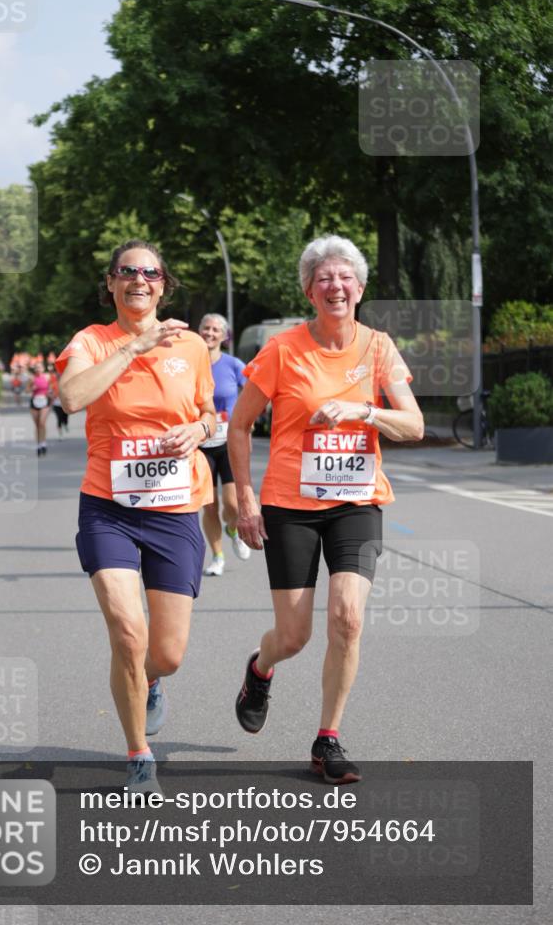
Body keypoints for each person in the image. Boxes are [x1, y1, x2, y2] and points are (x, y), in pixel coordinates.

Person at [228, 235, 424, 785]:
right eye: (324, 279)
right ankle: (259, 668)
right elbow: (239, 425)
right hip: (290, 504)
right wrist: (245, 498)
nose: (335, 286)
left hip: (356, 503)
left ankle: (328, 738)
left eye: (344, 278)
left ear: (359, 289)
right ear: (309, 291)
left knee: (348, 619)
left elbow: (414, 425)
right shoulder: (283, 350)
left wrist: (365, 410)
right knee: (294, 636)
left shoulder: (378, 347)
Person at [57, 239, 216, 794]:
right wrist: (134, 347)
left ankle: (150, 682)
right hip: (109, 509)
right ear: (111, 283)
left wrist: (199, 430)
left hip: (175, 510)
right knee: (128, 632)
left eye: (150, 272)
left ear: (163, 284)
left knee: (165, 654)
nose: (139, 280)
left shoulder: (192, 345)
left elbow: (209, 415)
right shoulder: (92, 341)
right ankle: (138, 753)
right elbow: (72, 397)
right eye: (128, 272)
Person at [197, 313, 251, 575]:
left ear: (224, 336)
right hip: (200, 443)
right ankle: (217, 556)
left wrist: (246, 421)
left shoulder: (233, 364)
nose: (210, 333)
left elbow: (253, 391)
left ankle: (233, 529)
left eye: (215, 329)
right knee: (209, 505)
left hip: (227, 443)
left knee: (231, 504)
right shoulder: (189, 364)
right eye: (206, 328)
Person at [28, 361, 52, 456]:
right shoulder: (32, 378)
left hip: (45, 401)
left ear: (43, 368)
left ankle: (43, 443)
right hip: (34, 402)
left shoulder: (47, 377)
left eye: (39, 367)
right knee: (37, 425)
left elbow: (51, 388)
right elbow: (26, 390)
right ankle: (38, 444)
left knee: (42, 423)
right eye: (36, 368)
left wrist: (50, 393)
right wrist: (32, 388)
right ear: (35, 369)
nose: (38, 369)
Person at [47, 362, 69, 438]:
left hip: (64, 403)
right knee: (59, 418)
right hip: (56, 404)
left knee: (65, 417)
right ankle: (60, 434)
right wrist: (52, 396)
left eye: (60, 375)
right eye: (57, 375)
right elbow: (49, 393)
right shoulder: (53, 384)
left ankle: (65, 424)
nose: (59, 376)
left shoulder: (65, 383)